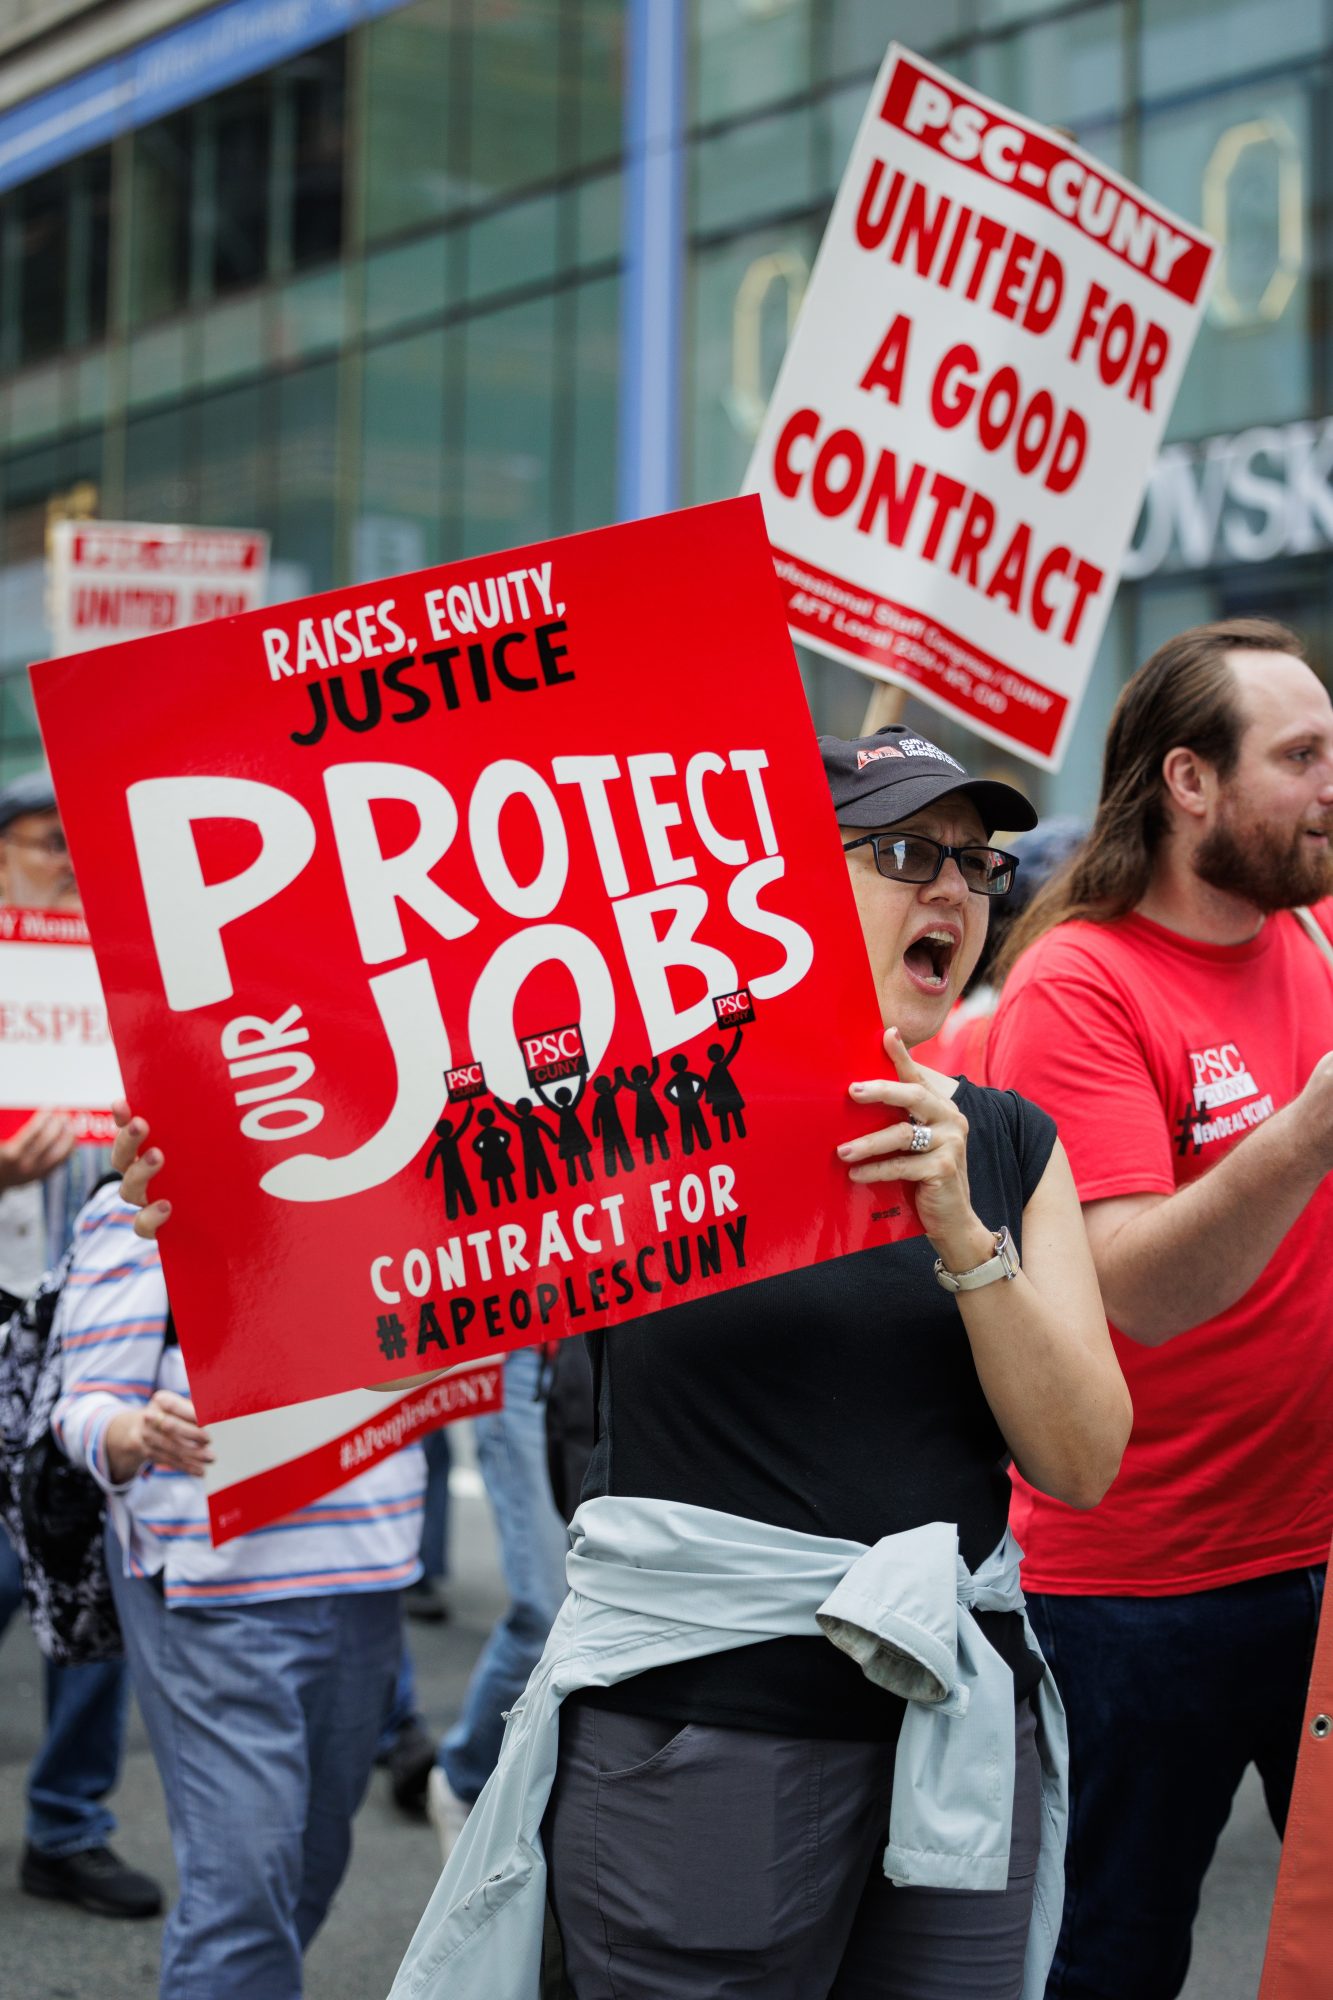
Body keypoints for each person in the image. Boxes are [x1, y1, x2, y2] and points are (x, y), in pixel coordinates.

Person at [380, 722, 1132, 2000]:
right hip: (698, 1745)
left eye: (976, 862)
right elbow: (375, 1257)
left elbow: (1082, 1458)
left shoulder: (1008, 1142)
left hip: (948, 1743)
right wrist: (184, 1207)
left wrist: (965, 1234)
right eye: (905, 850)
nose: (952, 887)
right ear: (782, 875)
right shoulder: (641, 1108)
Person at [986, 618, 1333, 2000]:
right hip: (1141, 1594)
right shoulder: (1079, 983)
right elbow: (1134, 1293)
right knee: (1110, 1957)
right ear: (1190, 781)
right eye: (1301, 756)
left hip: (1317, 1556)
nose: (1330, 783)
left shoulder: (1312, 930)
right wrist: (1306, 1132)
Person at [51, 1178, 426, 1997]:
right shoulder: (142, 1205)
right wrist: (139, 1433)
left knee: (308, 1865)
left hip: (369, 1571)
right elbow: (82, 1409)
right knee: (245, 1887)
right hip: (217, 1595)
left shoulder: (390, 1177)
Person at [0, 768, 161, 1920]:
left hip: (89, 1315)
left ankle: (67, 1824)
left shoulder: (126, 981)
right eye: (47, 843)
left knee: (91, 1564)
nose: (66, 865)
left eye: (81, 846)